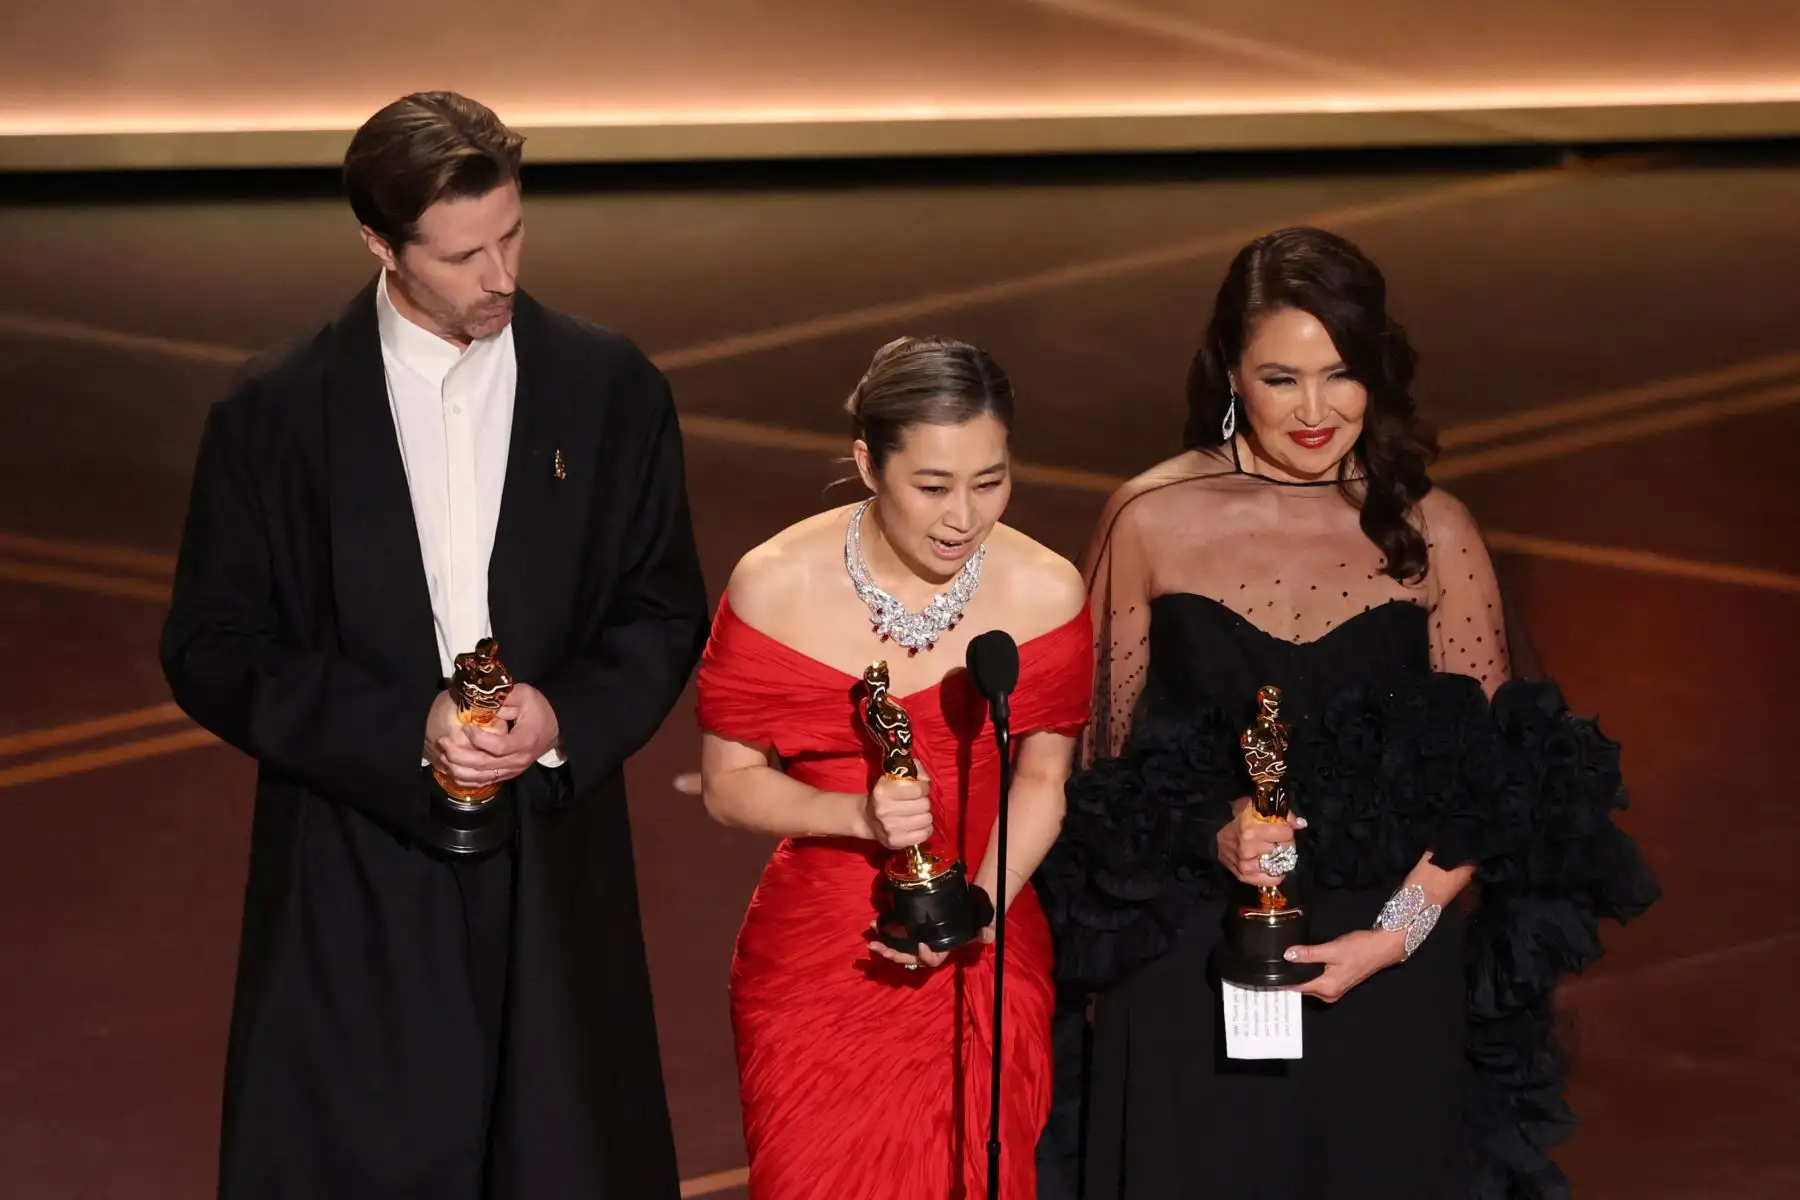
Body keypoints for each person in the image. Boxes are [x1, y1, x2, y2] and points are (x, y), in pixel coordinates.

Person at [160, 92, 709, 1198]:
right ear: (378, 242)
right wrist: (395, 730)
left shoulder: (610, 389)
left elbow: (660, 608)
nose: (500, 276)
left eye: (513, 234)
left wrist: (561, 718)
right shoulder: (274, 415)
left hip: (554, 857)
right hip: (353, 858)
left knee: (562, 1155)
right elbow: (213, 645)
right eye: (462, 255)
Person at [1035, 227, 1660, 1198]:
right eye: (1283, 378)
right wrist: (1215, 835)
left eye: (1343, 374)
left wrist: (1397, 933)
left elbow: (1497, 787)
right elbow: (1099, 768)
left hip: (1389, 964)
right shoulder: (1148, 520)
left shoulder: (1433, 530)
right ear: (1233, 376)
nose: (1317, 411)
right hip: (1198, 955)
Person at [695, 336, 1093, 1198]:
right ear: (868, 463)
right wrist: (856, 818)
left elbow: (1042, 780)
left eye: (990, 482)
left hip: (990, 924)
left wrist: (981, 908)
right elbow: (729, 786)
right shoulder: (773, 584)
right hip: (823, 953)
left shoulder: (1046, 591)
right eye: (933, 486)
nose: (964, 517)